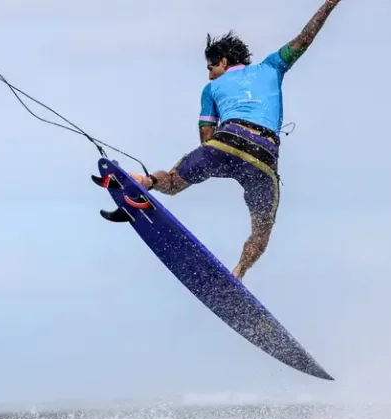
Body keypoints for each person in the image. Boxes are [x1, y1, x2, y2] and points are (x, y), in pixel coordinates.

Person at [129, 0, 343, 280]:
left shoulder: (212, 88)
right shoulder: (273, 67)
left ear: (225, 61)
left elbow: (207, 138)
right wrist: (328, 4)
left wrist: (201, 168)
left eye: (211, 66)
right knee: (262, 229)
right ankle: (239, 273)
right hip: (263, 157)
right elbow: (304, 39)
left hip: (226, 142)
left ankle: (145, 182)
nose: (208, 74)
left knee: (171, 182)